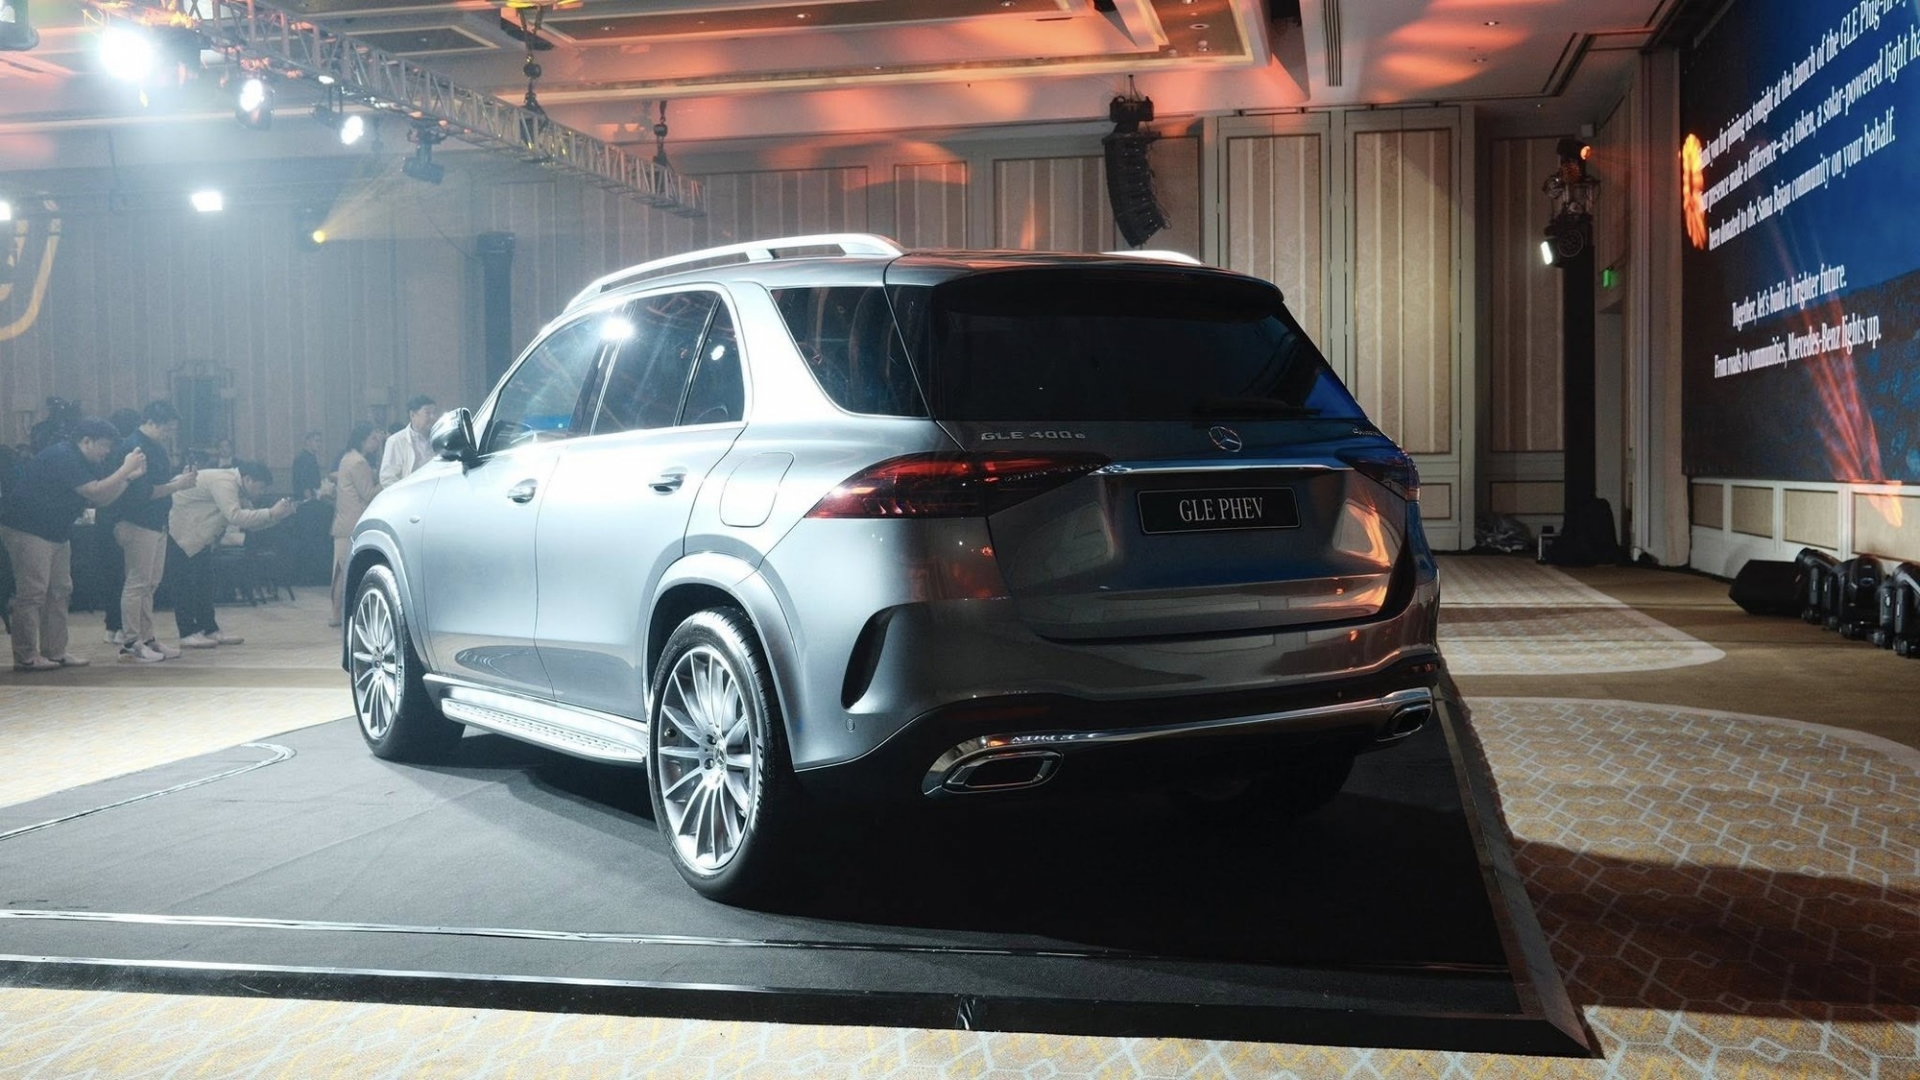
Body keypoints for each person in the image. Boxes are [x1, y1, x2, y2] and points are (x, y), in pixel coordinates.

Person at [0, 417, 147, 671]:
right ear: (86, 441)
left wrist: (128, 479)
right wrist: (124, 470)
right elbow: (94, 490)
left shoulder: (90, 462)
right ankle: (26, 656)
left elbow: (102, 499)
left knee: (60, 590)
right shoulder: (64, 455)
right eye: (104, 445)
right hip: (28, 528)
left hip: (56, 531)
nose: (107, 451)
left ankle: (55, 651)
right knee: (33, 592)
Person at [167, 460, 295, 649]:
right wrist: (271, 512)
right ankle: (187, 633)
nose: (262, 492)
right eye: (261, 487)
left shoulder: (238, 487)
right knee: (185, 584)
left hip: (197, 535)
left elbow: (250, 522)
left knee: (204, 583)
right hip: (180, 531)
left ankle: (209, 629)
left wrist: (277, 516)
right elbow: (235, 516)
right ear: (248, 479)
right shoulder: (225, 482)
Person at [110, 402, 197, 663]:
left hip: (156, 522)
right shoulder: (134, 448)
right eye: (167, 429)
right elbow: (142, 494)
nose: (169, 435)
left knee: (150, 584)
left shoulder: (156, 447)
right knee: (137, 583)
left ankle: (147, 638)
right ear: (150, 422)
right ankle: (130, 643)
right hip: (137, 522)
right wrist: (178, 485)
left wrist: (177, 482)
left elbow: (158, 485)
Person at [96, 407, 146, 647]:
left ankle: (112, 625)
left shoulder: (106, 454)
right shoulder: (131, 453)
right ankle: (121, 627)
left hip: (104, 517)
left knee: (111, 575)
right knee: (127, 576)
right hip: (121, 518)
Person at [331, 423, 383, 627]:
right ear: (363, 439)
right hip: (353, 522)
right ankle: (338, 614)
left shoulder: (347, 458)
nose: (375, 442)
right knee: (344, 571)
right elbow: (368, 494)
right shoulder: (359, 462)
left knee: (339, 570)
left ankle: (336, 614)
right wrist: (389, 480)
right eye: (373, 438)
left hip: (344, 521)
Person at [378, 395, 439, 487]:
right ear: (412, 415)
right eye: (427, 413)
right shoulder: (396, 441)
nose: (433, 417)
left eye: (434, 412)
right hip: (410, 492)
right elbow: (387, 478)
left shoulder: (440, 438)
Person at [291, 431, 325, 500]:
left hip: (313, 496)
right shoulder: (302, 459)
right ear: (308, 441)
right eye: (316, 441)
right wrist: (310, 500)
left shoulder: (312, 458)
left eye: (320, 441)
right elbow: (303, 483)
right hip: (304, 498)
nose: (319, 444)